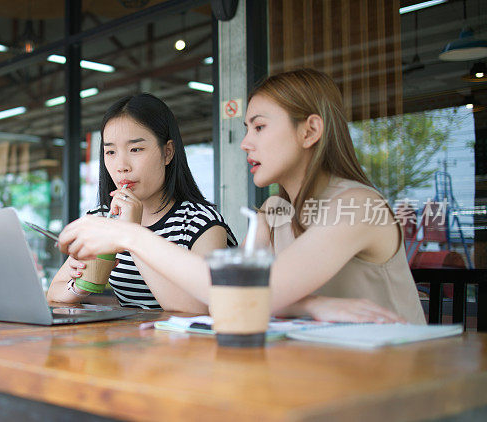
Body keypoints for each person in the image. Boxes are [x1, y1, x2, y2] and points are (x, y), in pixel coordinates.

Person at [57, 69, 425, 324]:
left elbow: (235, 293)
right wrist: (313, 305)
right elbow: (240, 296)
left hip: (393, 377)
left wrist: (129, 235)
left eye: (260, 127)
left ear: (310, 130)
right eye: (246, 128)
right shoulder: (274, 212)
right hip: (318, 370)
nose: (246, 143)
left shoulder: (357, 205)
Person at [46, 93, 237, 312]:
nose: (121, 165)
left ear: (167, 153)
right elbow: (55, 292)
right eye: (110, 151)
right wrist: (80, 283)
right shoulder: (103, 218)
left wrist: (131, 235)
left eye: (135, 149)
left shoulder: (200, 222)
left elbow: (198, 307)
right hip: (131, 343)